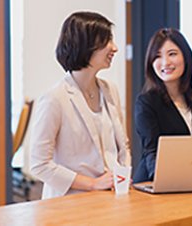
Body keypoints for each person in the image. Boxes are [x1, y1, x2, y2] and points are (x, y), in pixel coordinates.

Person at [30, 11, 131, 199]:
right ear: (86, 45)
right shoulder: (55, 98)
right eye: (107, 41)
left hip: (111, 197)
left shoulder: (111, 91)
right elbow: (39, 164)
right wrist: (92, 184)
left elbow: (123, 146)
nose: (115, 48)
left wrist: (122, 176)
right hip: (70, 201)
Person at [133, 28, 192, 182]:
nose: (165, 63)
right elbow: (152, 151)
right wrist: (162, 181)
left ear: (186, 57)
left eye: (172, 54)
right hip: (155, 183)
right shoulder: (146, 102)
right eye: (157, 56)